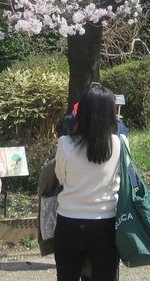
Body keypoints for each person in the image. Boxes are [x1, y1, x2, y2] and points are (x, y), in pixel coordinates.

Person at [52, 85, 122, 281]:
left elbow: (61, 178)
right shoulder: (120, 143)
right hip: (106, 224)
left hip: (69, 223)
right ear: (110, 112)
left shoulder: (66, 143)